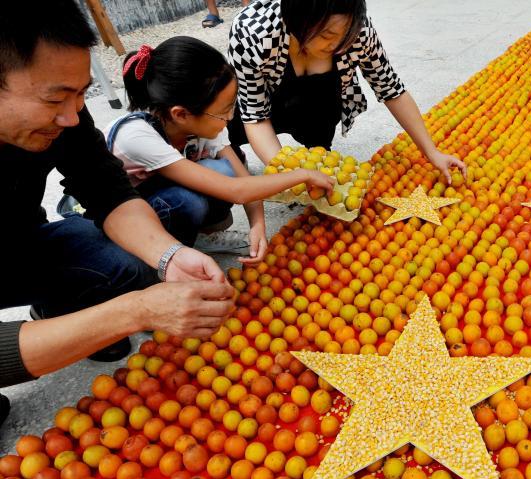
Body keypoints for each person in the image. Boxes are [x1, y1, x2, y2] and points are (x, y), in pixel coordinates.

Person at [0, 0, 235, 427]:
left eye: (80, 94)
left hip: (18, 242)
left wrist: (170, 256)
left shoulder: (67, 113)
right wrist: (134, 311)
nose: (71, 117)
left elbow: (106, 186)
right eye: (55, 99)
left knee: (127, 263)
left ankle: (53, 313)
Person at [107, 37, 334, 259]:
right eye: (224, 111)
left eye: (232, 106)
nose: (231, 117)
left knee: (225, 169)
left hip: (163, 189)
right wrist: (302, 175)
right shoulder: (137, 137)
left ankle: (201, 236)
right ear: (181, 114)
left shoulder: (200, 123)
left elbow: (243, 180)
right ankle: (160, 250)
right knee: (188, 201)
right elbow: (237, 191)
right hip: (127, 214)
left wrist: (257, 227)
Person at [227, 0, 467, 183]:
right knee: (227, 120)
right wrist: (289, 176)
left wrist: (431, 152)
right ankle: (232, 150)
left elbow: (391, 88)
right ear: (298, 22)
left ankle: (317, 149)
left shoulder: (357, 31)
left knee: (319, 143)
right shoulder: (252, 34)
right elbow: (255, 116)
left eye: (346, 36)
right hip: (264, 99)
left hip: (314, 103)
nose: (340, 46)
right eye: (327, 36)